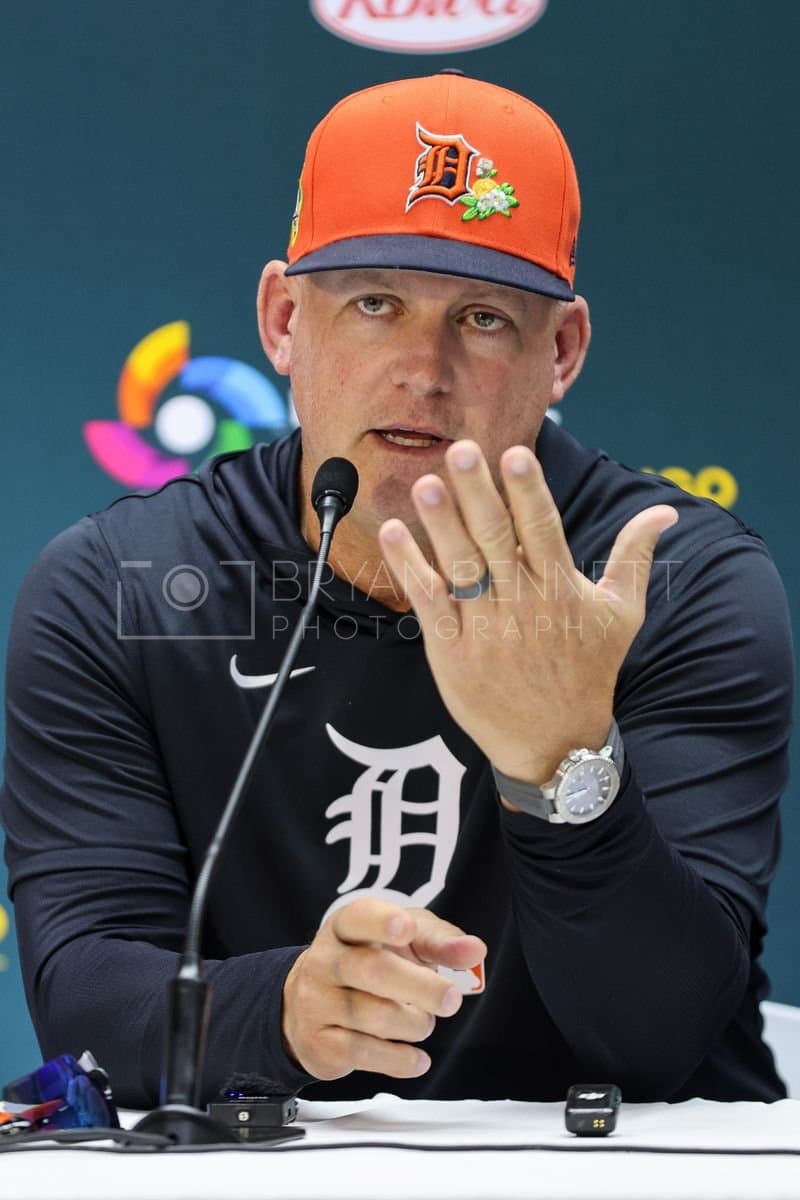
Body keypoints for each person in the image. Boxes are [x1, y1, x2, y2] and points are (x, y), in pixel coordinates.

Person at [0, 72, 793, 1109]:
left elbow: (659, 1037)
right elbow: (90, 994)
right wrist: (285, 1007)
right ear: (285, 322)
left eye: (481, 316)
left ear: (559, 352)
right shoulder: (121, 589)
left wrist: (562, 764)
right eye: (374, 303)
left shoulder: (671, 582)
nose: (423, 368)